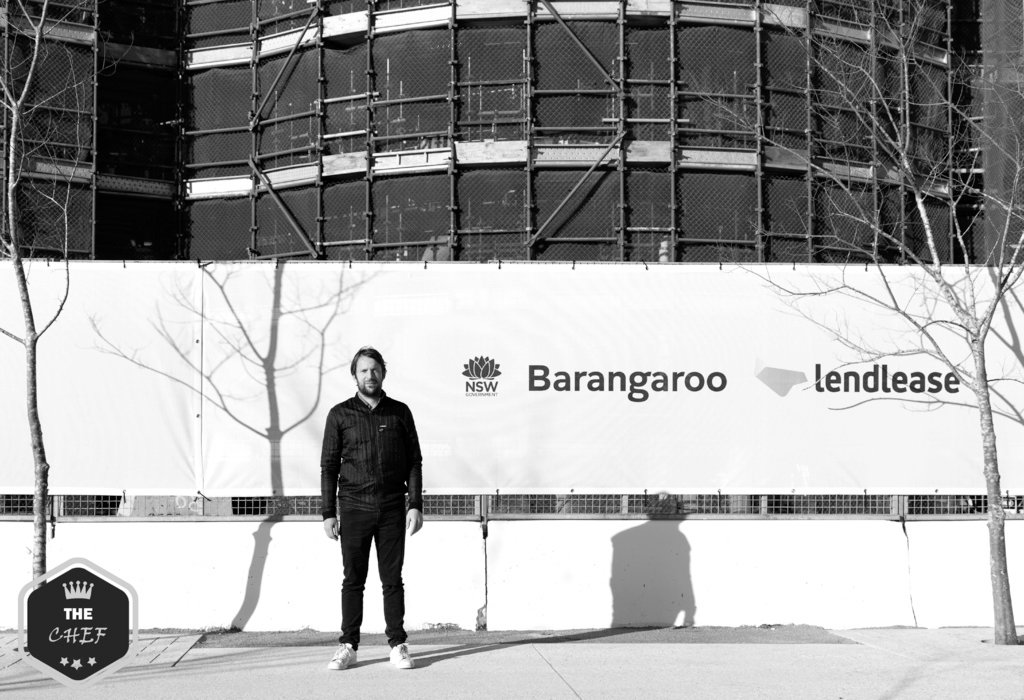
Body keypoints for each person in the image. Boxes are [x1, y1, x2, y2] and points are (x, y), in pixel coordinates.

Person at [321, 346, 423, 670]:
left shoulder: (400, 413)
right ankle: (348, 645)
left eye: (375, 369)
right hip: (353, 508)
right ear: (355, 375)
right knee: (353, 579)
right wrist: (328, 513)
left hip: (393, 508)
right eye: (363, 370)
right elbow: (328, 467)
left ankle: (398, 644)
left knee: (392, 580)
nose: (370, 375)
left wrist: (415, 505)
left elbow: (414, 462)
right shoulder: (339, 415)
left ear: (384, 372)